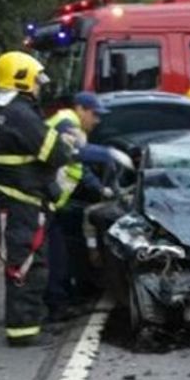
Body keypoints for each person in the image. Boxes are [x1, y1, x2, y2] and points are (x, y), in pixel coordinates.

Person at [0, 51, 74, 346]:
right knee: (27, 265)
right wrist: (67, 143)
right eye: (35, 81)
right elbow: (55, 154)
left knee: (22, 261)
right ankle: (23, 331)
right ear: (21, 79)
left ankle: (30, 320)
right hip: (21, 203)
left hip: (8, 199)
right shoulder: (19, 113)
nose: (38, 87)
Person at [44, 92, 133, 319]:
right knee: (56, 256)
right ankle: (57, 305)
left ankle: (66, 296)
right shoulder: (67, 123)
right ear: (80, 109)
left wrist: (101, 189)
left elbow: (78, 168)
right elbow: (75, 153)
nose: (97, 120)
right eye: (94, 114)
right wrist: (107, 153)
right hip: (43, 201)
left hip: (53, 202)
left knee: (62, 250)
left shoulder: (74, 127)